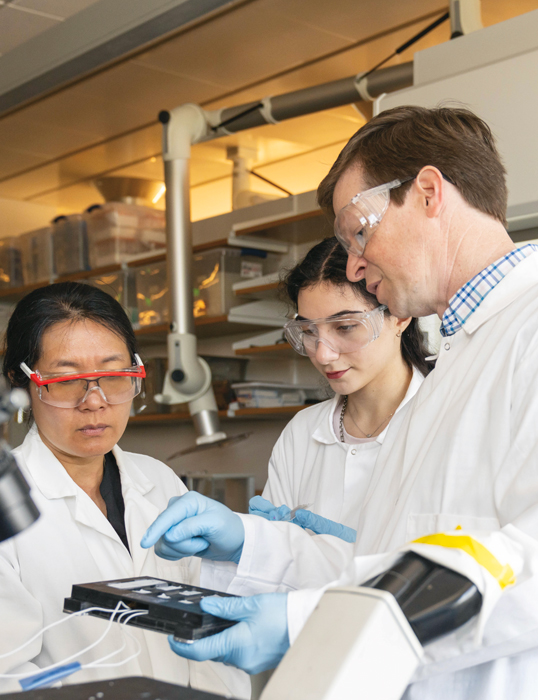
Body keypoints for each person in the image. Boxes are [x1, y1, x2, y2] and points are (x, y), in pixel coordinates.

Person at [142, 105, 538, 700]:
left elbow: (523, 571)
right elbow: (384, 562)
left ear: (429, 193)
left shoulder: (525, 333)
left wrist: (304, 621)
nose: (353, 261)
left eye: (360, 229)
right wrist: (250, 542)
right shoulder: (465, 353)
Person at [0, 282, 249, 698]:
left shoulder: (159, 482)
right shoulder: (9, 507)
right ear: (21, 384)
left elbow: (206, 634)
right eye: (66, 381)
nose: (94, 401)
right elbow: (8, 671)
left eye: (114, 376)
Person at [249, 236, 432, 542]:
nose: (323, 354)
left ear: (399, 314)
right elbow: (272, 561)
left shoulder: (443, 420)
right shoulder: (302, 433)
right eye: (309, 331)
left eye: (345, 327)